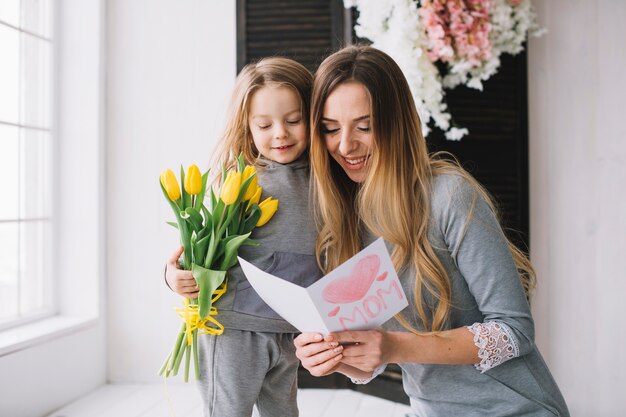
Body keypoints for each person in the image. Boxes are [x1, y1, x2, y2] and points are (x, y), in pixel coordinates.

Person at [294, 45, 570, 416]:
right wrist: (332, 358)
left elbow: (514, 332)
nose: (346, 145)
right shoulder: (344, 221)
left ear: (396, 124)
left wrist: (393, 347)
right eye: (330, 129)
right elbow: (374, 354)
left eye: (365, 126)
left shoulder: (449, 196)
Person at [165, 57, 321, 417]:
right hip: (233, 326)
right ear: (247, 127)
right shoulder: (242, 180)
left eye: (294, 121)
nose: (280, 133)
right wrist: (172, 276)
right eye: (264, 125)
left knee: (284, 411)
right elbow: (198, 249)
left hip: (288, 330)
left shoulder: (325, 180)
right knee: (228, 411)